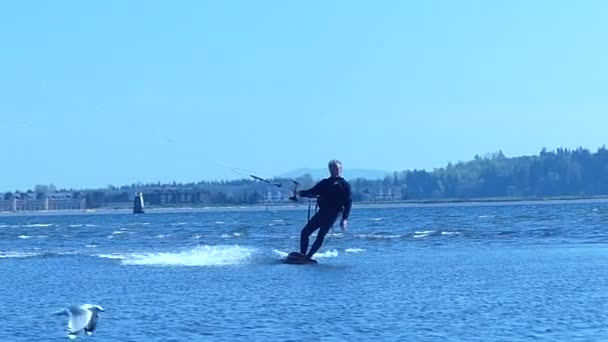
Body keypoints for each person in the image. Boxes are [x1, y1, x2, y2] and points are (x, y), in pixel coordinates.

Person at [297, 159, 352, 260]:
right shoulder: (324, 182)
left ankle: (309, 257)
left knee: (321, 235)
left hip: (334, 213)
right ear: (329, 170)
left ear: (341, 169)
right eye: (333, 169)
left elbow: (348, 202)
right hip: (322, 212)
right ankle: (302, 255)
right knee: (305, 232)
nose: (336, 170)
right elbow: (313, 192)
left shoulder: (344, 185)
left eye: (338, 169)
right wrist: (301, 193)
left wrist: (344, 219)